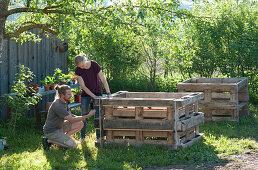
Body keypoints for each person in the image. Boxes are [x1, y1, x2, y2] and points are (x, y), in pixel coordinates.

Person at [42, 85, 96, 149]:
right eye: (68, 94)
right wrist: (88, 115)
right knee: (74, 146)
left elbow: (71, 116)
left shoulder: (64, 102)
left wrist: (84, 117)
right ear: (62, 95)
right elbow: (71, 120)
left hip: (60, 127)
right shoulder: (58, 105)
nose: (71, 96)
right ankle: (49, 141)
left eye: (71, 94)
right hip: (52, 131)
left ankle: (62, 138)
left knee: (81, 123)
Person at [74, 54, 111, 143]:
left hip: (98, 92)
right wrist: (93, 96)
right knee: (84, 115)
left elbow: (103, 79)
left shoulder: (94, 65)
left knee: (97, 116)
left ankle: (98, 137)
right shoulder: (78, 70)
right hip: (86, 94)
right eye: (80, 67)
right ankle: (82, 137)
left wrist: (109, 93)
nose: (82, 68)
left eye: (83, 65)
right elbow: (83, 86)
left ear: (85, 60)